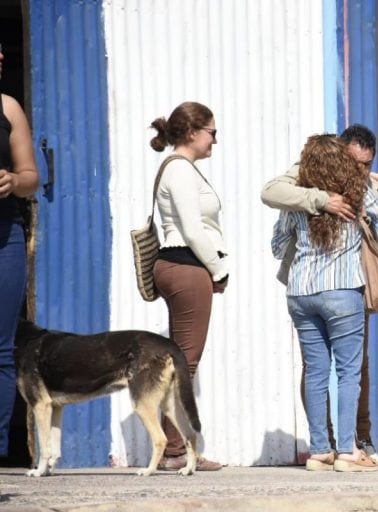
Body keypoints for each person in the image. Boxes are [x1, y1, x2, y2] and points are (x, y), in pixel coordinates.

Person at [261, 124, 378, 468]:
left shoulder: (298, 197)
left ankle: (320, 450)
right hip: (341, 292)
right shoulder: (358, 191)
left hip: (301, 293)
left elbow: (278, 247)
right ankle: (349, 451)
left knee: (316, 371)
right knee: (348, 372)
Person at [148, 101, 228, 471]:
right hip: (186, 266)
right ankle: (174, 450)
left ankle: (174, 447)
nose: (215, 140)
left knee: (180, 360)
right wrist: (218, 269)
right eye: (212, 132)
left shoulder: (184, 169)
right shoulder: (180, 170)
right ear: (193, 132)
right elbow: (193, 229)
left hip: (183, 267)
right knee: (185, 364)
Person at [0, 42, 39, 460]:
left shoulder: (8, 107)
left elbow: (32, 176)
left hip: (4, 235)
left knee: (2, 349)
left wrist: (14, 181)